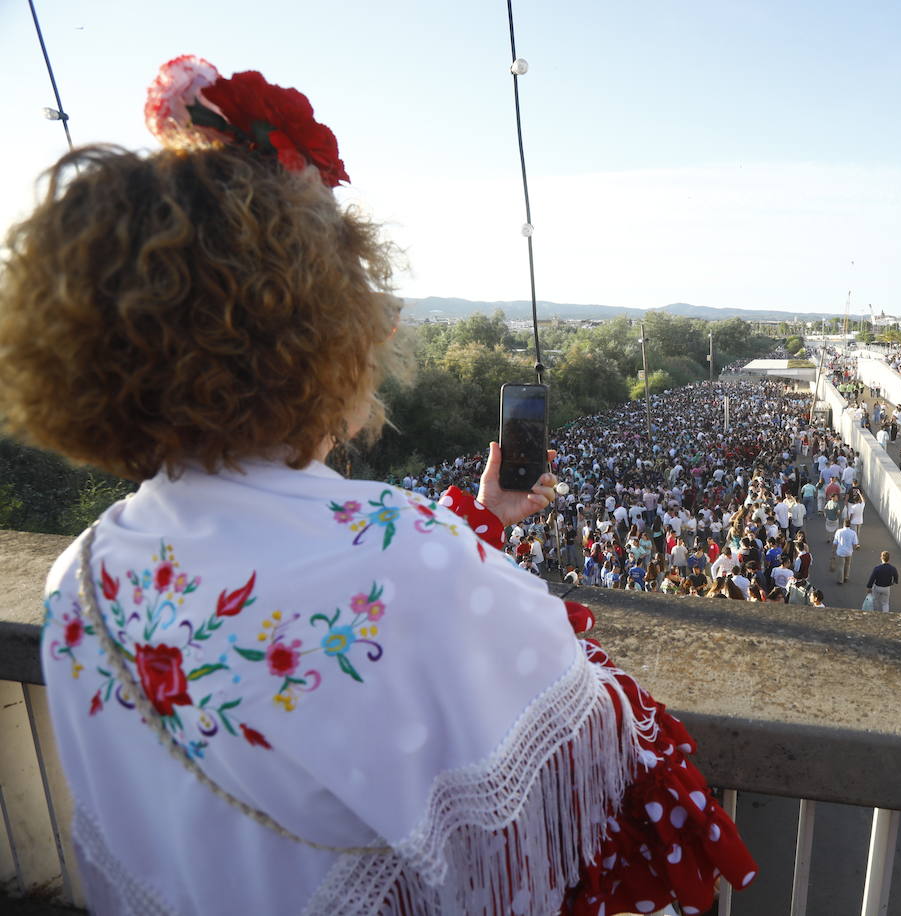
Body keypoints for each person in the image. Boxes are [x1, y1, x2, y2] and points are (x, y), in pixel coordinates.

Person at [3, 58, 754, 916]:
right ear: (311, 334)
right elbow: (602, 756)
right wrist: (458, 547)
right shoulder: (412, 561)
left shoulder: (81, 575)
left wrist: (472, 525)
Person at [831, 517, 860, 584]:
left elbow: (835, 542)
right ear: (850, 524)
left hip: (840, 551)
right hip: (849, 552)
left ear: (844, 524)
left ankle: (840, 580)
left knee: (841, 566)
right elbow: (855, 544)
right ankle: (846, 577)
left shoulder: (839, 531)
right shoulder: (853, 533)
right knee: (847, 565)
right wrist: (857, 547)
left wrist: (833, 551)